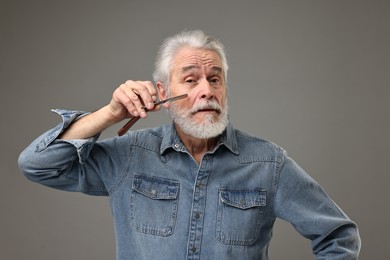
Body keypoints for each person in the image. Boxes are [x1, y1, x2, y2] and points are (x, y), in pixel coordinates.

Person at [18, 30, 361, 259]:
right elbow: (37, 164)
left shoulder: (268, 164)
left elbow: (338, 236)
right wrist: (110, 114)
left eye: (215, 80)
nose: (207, 90)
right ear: (164, 94)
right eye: (191, 80)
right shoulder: (129, 156)